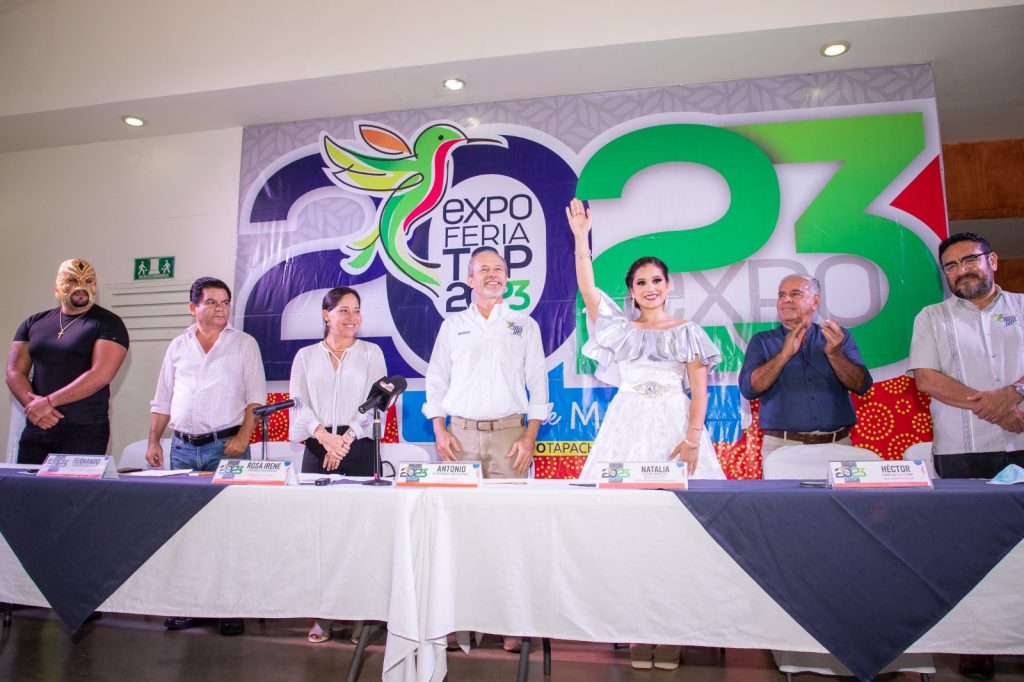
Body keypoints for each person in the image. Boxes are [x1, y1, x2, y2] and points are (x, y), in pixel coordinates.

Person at [566, 198, 723, 670]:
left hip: (674, 431)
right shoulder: (620, 329)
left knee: (678, 534)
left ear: (668, 286)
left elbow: (699, 389)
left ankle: (672, 631)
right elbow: (588, 289)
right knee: (629, 532)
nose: (650, 288)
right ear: (631, 291)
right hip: (627, 430)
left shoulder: (688, 330)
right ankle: (637, 630)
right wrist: (581, 237)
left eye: (657, 281)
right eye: (641, 283)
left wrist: (692, 439)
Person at [423, 245, 551, 652]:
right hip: (459, 439)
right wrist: (439, 430)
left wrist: (529, 437)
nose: (493, 275)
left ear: (507, 278)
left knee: (509, 530)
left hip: (511, 437)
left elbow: (539, 383)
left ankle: (511, 621)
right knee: (457, 531)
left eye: (499, 269)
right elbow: (436, 380)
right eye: (484, 270)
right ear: (470, 279)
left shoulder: (523, 325)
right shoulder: (453, 326)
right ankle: (456, 619)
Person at [907, 232, 1022, 681]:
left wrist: (1015, 393)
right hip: (962, 452)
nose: (961, 271)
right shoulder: (931, 317)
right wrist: (994, 405)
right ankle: (978, 646)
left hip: (1022, 442)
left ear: (992, 260)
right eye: (951, 266)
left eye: (969, 260)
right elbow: (927, 380)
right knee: (970, 552)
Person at [145, 276, 266, 637]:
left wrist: (242, 438)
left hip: (226, 447)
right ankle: (188, 605)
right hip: (182, 449)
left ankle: (229, 608)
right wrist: (154, 441)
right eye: (211, 302)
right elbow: (162, 399)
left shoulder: (243, 344)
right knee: (185, 531)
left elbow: (255, 399)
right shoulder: (178, 346)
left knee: (228, 530)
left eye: (225, 302)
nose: (220, 309)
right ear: (193, 307)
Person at [288, 286, 385, 644]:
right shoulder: (306, 356)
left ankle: (362, 614)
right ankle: (324, 614)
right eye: (343, 310)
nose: (352, 317)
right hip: (317, 447)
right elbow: (299, 403)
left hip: (359, 447)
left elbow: (377, 404)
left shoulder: (371, 353)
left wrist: (344, 440)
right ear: (325, 315)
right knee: (321, 535)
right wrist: (323, 436)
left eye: (356, 310)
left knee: (361, 533)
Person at [739, 274, 872, 465]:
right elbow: (748, 389)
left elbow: (861, 385)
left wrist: (835, 354)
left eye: (795, 294)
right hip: (782, 448)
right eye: (781, 295)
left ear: (815, 301)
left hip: (838, 445)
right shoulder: (762, 341)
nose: (786, 300)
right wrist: (784, 355)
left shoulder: (836, 337)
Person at [6, 258, 129, 464]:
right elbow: (14, 370)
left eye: (88, 281)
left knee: (75, 486)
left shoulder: (108, 323)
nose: (81, 287)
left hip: (83, 430)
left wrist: (48, 402)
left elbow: (101, 374)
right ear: (58, 284)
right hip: (38, 425)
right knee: (27, 484)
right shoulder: (34, 322)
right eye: (72, 280)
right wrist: (34, 407)